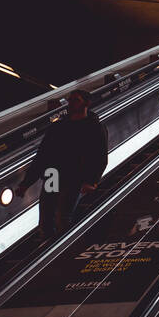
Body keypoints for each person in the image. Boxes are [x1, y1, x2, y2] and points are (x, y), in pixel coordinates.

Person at [15, 89, 108, 240]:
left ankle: (61, 251)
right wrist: (26, 183)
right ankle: (46, 251)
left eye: (75, 100)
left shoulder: (95, 128)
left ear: (87, 103)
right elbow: (42, 156)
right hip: (52, 176)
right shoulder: (57, 127)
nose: (71, 103)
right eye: (70, 100)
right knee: (46, 219)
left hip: (75, 178)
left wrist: (92, 181)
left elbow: (100, 157)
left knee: (63, 219)